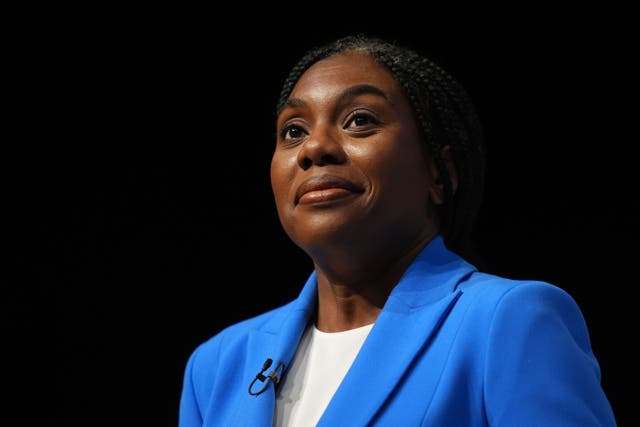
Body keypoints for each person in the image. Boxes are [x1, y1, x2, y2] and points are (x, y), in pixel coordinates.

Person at [178, 34, 617, 426]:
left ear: (440, 173)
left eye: (359, 121)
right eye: (293, 131)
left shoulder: (508, 321)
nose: (315, 148)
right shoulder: (218, 365)